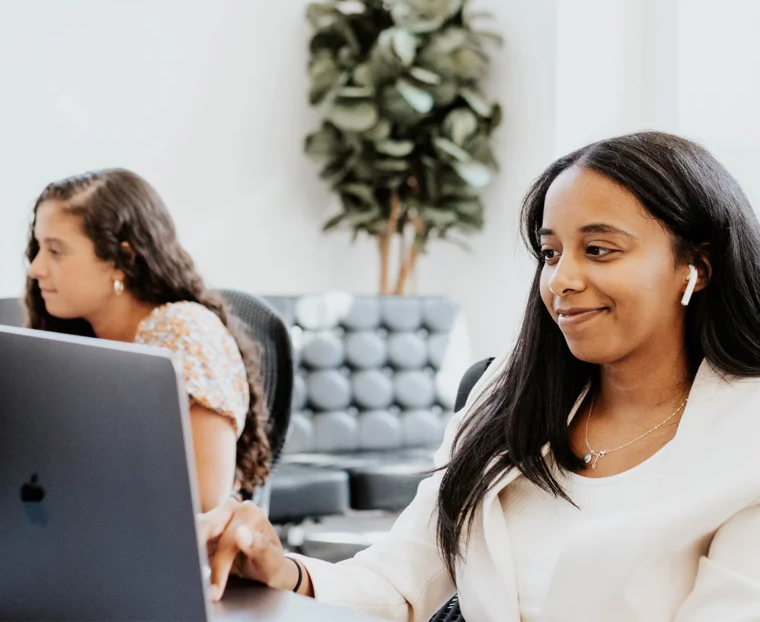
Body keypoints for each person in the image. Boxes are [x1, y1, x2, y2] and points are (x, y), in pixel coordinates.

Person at [201, 131, 760, 621]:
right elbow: (399, 582)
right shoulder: (509, 395)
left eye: (598, 250)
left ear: (698, 268)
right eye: (549, 252)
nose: (561, 279)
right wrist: (286, 573)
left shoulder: (746, 438)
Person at [25, 168, 270, 512]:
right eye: (38, 247)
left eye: (56, 251)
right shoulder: (79, 337)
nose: (36, 268)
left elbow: (202, 501)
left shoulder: (185, 333)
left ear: (122, 260)